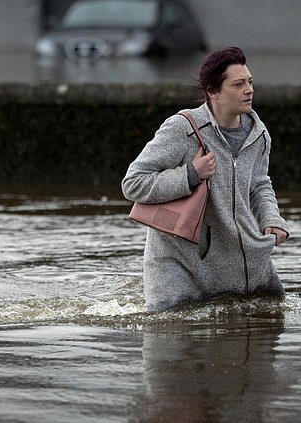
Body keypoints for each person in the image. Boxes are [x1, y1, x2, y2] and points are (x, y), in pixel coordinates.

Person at [122, 47, 290, 312]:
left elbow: (259, 184)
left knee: (266, 328)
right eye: (238, 84)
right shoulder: (182, 128)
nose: (249, 90)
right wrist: (190, 174)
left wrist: (271, 220)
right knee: (176, 341)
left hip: (240, 263)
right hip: (179, 266)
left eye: (250, 82)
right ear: (213, 91)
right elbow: (133, 184)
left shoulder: (259, 134)